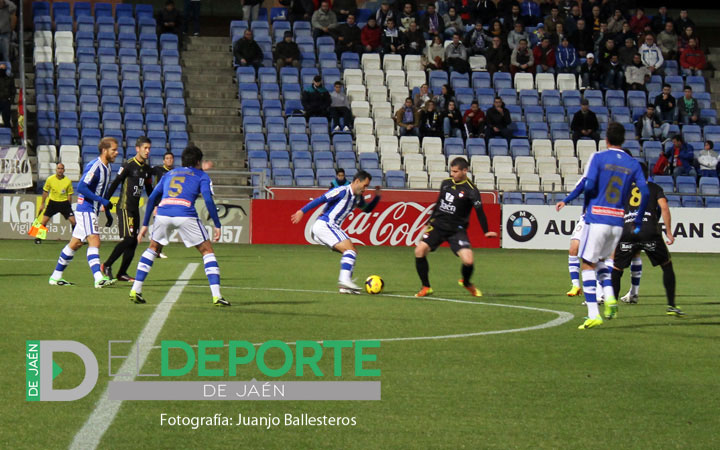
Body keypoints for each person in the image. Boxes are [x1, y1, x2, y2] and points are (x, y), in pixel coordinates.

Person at [131, 145, 228, 306]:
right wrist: (217, 224)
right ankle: (217, 296)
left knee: (153, 248)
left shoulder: (170, 174)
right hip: (185, 213)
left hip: (163, 213)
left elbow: (153, 197)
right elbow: (208, 200)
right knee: (207, 251)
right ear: (198, 161)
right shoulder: (202, 175)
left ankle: (136, 289)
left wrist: (145, 223)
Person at [575, 122, 649, 329]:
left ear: (606, 139)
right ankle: (609, 296)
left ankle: (593, 313)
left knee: (587, 263)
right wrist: (639, 216)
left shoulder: (599, 158)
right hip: (618, 221)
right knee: (601, 261)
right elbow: (646, 192)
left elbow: (588, 185)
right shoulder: (632, 163)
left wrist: (586, 206)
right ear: (623, 140)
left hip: (598, 217)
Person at [414, 157, 498, 298]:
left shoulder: (472, 191)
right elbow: (438, 203)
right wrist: (428, 221)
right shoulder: (446, 183)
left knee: (468, 261)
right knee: (419, 251)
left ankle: (466, 282)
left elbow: (480, 211)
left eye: (455, 171)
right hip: (438, 225)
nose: (452, 174)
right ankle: (426, 287)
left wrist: (486, 231)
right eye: (451, 171)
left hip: (457, 229)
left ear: (465, 171)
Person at [291, 171, 381, 294]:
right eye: (365, 185)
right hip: (326, 225)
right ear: (357, 181)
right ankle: (344, 280)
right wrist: (302, 211)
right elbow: (321, 199)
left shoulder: (357, 198)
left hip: (327, 228)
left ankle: (345, 287)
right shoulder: (342, 191)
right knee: (349, 250)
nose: (365, 189)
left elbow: (367, 209)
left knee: (351, 251)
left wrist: (377, 197)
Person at [612, 162, 683, 316]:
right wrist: (669, 232)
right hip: (649, 231)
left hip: (628, 231)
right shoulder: (654, 188)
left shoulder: (624, 190)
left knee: (617, 269)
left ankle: (611, 308)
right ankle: (671, 306)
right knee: (666, 265)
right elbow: (664, 207)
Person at [48, 137, 119, 288]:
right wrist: (100, 199)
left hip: (91, 209)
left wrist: (106, 211)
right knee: (94, 240)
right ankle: (99, 278)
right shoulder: (95, 166)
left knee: (76, 243)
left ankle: (55, 277)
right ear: (104, 150)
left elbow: (101, 192)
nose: (116, 153)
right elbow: (81, 187)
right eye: (113, 150)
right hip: (85, 208)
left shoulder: (108, 168)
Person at [101, 136, 154, 282]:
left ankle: (122, 273)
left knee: (133, 242)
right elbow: (115, 182)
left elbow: (149, 189)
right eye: (145, 148)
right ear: (138, 149)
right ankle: (106, 264)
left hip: (134, 209)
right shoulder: (129, 165)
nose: (148, 151)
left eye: (149, 148)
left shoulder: (147, 169)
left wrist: (156, 204)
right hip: (124, 207)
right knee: (129, 239)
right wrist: (104, 201)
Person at [36, 163, 76, 244]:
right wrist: (42, 203)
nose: (60, 170)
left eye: (61, 169)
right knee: (44, 221)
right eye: (58, 168)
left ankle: (76, 239)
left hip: (64, 203)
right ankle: (38, 238)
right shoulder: (50, 179)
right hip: (53, 203)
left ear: (64, 170)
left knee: (73, 221)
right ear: (56, 169)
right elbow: (45, 191)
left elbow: (69, 194)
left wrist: (69, 205)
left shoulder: (67, 181)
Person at [0, 62, 14, 129]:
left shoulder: (9, 79)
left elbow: (13, 90)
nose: (2, 69)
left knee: (6, 120)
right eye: (1, 68)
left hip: (6, 101)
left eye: (3, 68)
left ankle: (8, 136)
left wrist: (11, 99)